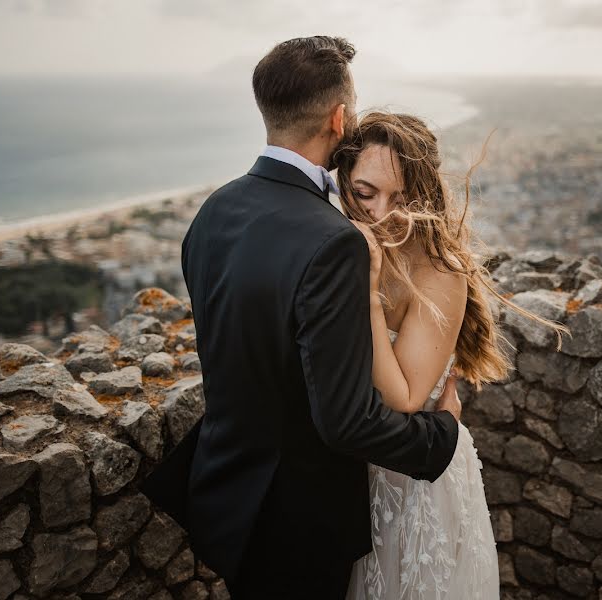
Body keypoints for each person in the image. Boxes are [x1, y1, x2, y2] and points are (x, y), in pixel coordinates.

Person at [140, 36, 463, 600]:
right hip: (297, 518)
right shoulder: (335, 242)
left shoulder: (213, 211)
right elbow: (345, 422)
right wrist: (439, 437)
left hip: (225, 493)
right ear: (340, 118)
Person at [331, 112, 567, 599]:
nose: (379, 213)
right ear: (343, 183)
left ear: (424, 194)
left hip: (416, 478)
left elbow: (406, 398)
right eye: (364, 192)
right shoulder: (339, 249)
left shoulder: (440, 271)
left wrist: (369, 292)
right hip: (353, 476)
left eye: (400, 198)